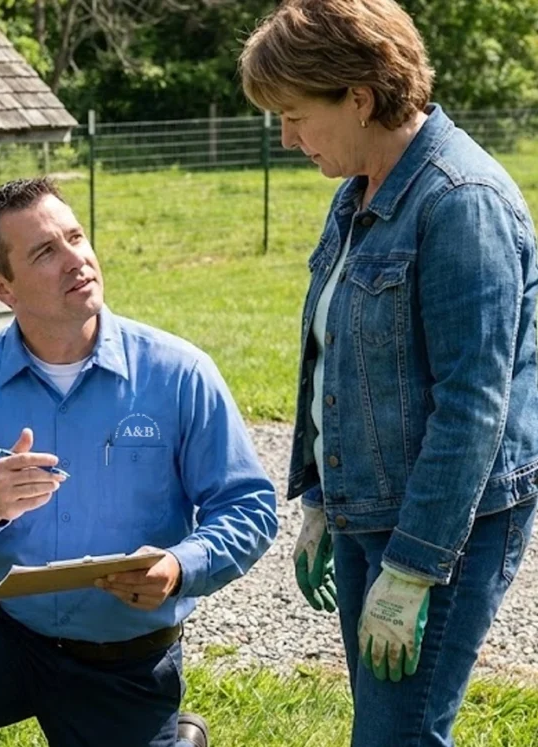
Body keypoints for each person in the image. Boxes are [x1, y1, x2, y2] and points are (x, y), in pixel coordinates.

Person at [0, 177, 277, 747]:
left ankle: (180, 740)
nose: (76, 260)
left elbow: (249, 506)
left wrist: (180, 566)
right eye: (45, 252)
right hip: (4, 632)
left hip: (123, 658)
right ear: (1, 287)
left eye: (76, 237)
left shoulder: (179, 372)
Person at [239, 1, 538, 744]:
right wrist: (318, 498)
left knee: (395, 737)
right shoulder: (358, 195)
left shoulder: (461, 203)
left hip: (445, 527)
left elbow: (473, 406)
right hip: (369, 504)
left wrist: (412, 569)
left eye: (296, 114)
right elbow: (333, 353)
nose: (287, 137)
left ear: (360, 98)